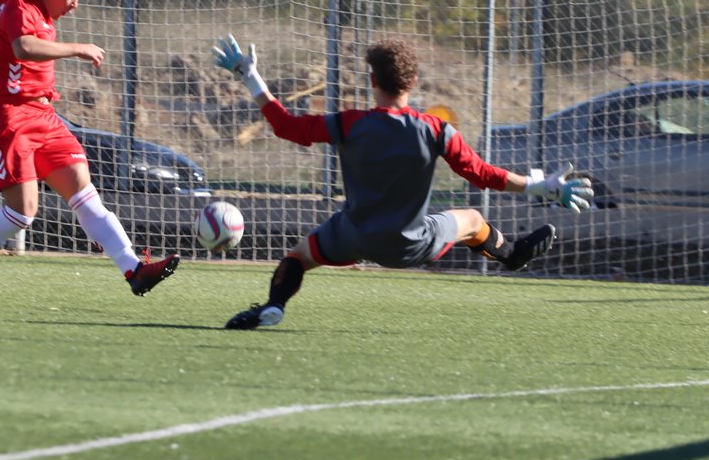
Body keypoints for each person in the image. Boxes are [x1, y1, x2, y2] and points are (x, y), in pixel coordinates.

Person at [210, 35, 593, 329]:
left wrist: (250, 76)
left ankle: (274, 306)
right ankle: (511, 254)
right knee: (473, 220)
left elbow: (287, 126)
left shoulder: (348, 124)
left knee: (298, 257)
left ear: (372, 80)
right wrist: (540, 186)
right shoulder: (436, 130)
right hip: (412, 243)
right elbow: (479, 173)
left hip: (353, 235)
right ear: (413, 82)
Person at [0, 0, 179, 303]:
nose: (74, 4)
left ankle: (134, 270)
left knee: (84, 190)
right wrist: (77, 49)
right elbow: (23, 47)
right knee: (21, 214)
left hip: (44, 115)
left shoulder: (17, 5)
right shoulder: (20, 6)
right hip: (10, 117)